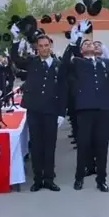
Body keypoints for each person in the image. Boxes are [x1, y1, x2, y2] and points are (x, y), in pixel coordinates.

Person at [9, 32, 66, 192]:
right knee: (36, 146)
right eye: (40, 46)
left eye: (46, 45)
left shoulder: (58, 64)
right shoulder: (32, 63)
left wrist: (62, 112)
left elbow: (63, 89)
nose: (44, 49)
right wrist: (14, 40)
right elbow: (15, 59)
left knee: (50, 146)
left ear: (50, 46)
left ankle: (49, 178)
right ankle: (38, 179)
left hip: (51, 110)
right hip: (34, 109)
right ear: (37, 48)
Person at [62, 21, 109, 192]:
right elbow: (63, 66)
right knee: (84, 144)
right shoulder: (78, 62)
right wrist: (74, 43)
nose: (90, 43)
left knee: (102, 144)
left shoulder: (104, 63)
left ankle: (102, 179)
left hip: (103, 108)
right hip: (85, 108)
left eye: (91, 42)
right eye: (86, 43)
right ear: (82, 51)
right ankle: (79, 177)